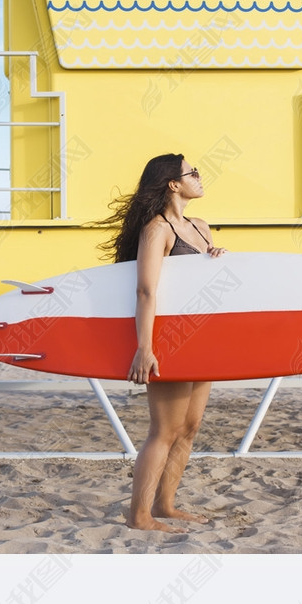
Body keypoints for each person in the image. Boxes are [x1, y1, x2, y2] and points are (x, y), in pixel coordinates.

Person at [102, 154, 227, 532]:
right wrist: (145, 348)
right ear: (173, 184)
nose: (200, 177)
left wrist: (217, 259)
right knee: (164, 430)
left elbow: (205, 282)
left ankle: (165, 505)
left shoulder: (200, 227)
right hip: (168, 338)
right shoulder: (157, 230)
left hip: (200, 337)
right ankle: (138, 515)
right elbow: (145, 290)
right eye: (193, 173)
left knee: (189, 428)